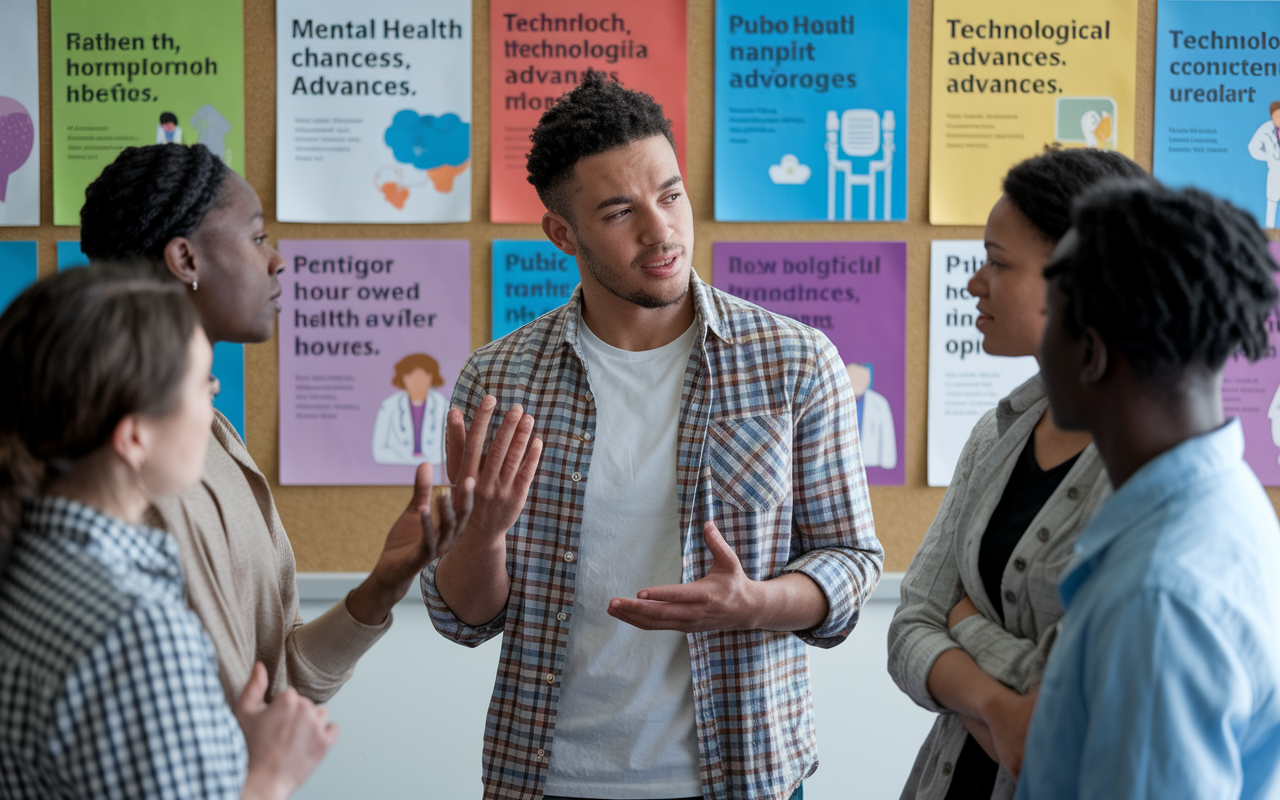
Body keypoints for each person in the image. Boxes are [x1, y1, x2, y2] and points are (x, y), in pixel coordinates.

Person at [423, 69, 884, 800]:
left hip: (746, 775)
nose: (661, 230)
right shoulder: (498, 381)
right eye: (619, 212)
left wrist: (754, 603)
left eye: (671, 195)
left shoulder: (792, 362)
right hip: (549, 778)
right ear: (561, 232)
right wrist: (482, 534)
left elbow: (853, 562)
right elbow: (465, 619)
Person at [78, 143, 461, 705]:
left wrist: (381, 588)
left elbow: (280, 686)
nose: (278, 260)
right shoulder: (120, 452)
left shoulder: (215, 433)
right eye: (257, 238)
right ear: (185, 261)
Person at [0, 266, 335, 799]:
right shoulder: (139, 628)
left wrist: (221, 748)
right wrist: (272, 774)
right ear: (134, 438)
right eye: (202, 381)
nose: (215, 394)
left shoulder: (25, 567)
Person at [887, 148, 1150, 800]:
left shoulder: (1143, 469)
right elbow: (910, 624)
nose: (974, 283)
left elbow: (1069, 705)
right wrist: (1002, 714)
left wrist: (966, 623)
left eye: (998, 263)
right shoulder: (996, 431)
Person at [1018, 182, 1280, 798]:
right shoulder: (1227, 500)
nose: (1042, 338)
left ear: (1090, 353)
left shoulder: (1158, 598)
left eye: (1052, 314)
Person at [372, 353, 448, 466]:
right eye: (410, 375)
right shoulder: (388, 406)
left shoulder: (444, 406)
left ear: (431, 377)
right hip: (396, 472)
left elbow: (449, 450)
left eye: (422, 375)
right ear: (402, 378)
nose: (416, 381)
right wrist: (411, 461)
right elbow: (379, 452)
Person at [1247, 101, 1280, 227]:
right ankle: (1269, 232)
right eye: (1276, 116)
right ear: (1272, 117)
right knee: (1272, 203)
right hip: (1275, 172)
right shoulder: (1266, 129)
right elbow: (1252, 148)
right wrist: (1268, 157)